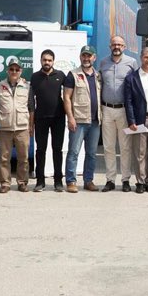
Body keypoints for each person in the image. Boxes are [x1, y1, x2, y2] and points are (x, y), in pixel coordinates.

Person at [98, 35, 138, 192]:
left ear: (124, 47)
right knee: (108, 147)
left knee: (125, 147)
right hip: (107, 109)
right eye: (114, 44)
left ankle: (126, 179)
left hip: (124, 111)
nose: (117, 47)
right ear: (110, 46)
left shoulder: (132, 63)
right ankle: (110, 180)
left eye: (120, 45)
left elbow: (136, 87)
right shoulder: (103, 63)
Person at [63, 45, 103, 193]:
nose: (86, 58)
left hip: (95, 121)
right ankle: (71, 181)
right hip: (78, 121)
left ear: (94, 58)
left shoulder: (98, 76)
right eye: (84, 55)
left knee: (91, 154)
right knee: (73, 152)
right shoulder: (72, 75)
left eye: (89, 56)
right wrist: (70, 117)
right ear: (80, 57)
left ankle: (88, 181)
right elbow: (66, 97)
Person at [123, 47, 148, 194]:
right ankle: (140, 182)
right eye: (146, 57)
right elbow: (128, 101)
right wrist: (131, 121)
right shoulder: (132, 78)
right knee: (140, 153)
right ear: (141, 58)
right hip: (140, 120)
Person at [29, 49, 67, 193]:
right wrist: (31, 122)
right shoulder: (35, 77)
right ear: (40, 61)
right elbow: (31, 101)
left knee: (57, 150)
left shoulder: (60, 75)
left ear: (53, 61)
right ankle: (40, 181)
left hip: (58, 118)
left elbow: (69, 95)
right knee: (40, 150)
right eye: (45, 60)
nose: (47, 62)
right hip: (40, 118)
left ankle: (58, 181)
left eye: (49, 60)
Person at [0, 60, 31, 192]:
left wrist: (31, 125)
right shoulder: (0, 85)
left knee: (23, 158)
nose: (14, 72)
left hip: (22, 127)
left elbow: (31, 107)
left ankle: (22, 182)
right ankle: (5, 183)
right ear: (7, 70)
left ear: (21, 71)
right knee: (4, 158)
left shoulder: (27, 86)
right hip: (5, 127)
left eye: (17, 70)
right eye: (12, 69)